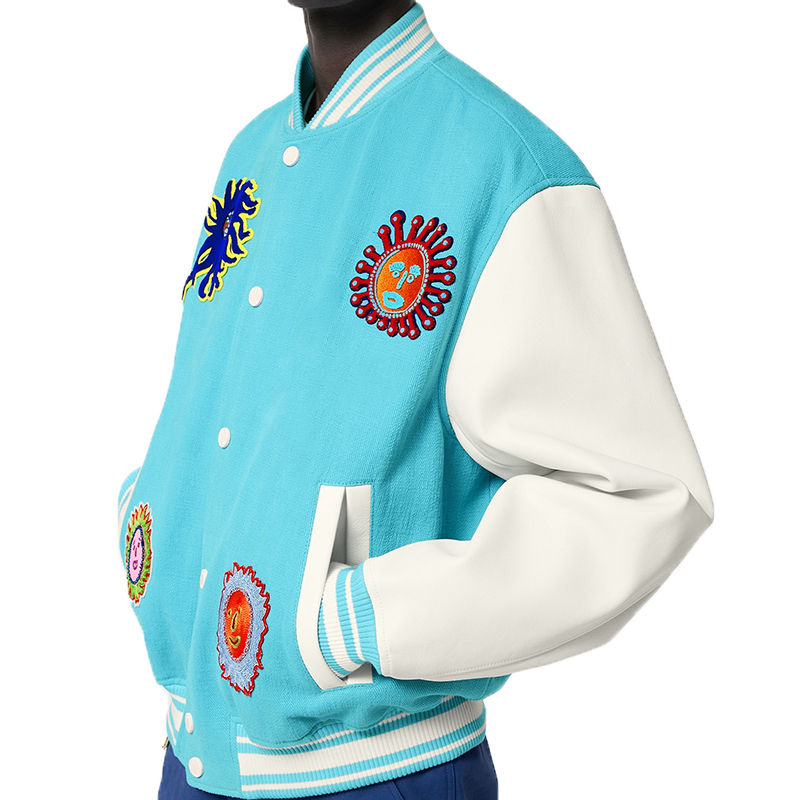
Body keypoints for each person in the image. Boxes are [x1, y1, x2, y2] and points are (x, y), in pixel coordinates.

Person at [116, 1, 715, 798]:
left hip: (379, 771)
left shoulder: (505, 164)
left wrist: (354, 620)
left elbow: (640, 494)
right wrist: (149, 523)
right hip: (193, 753)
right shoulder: (250, 156)